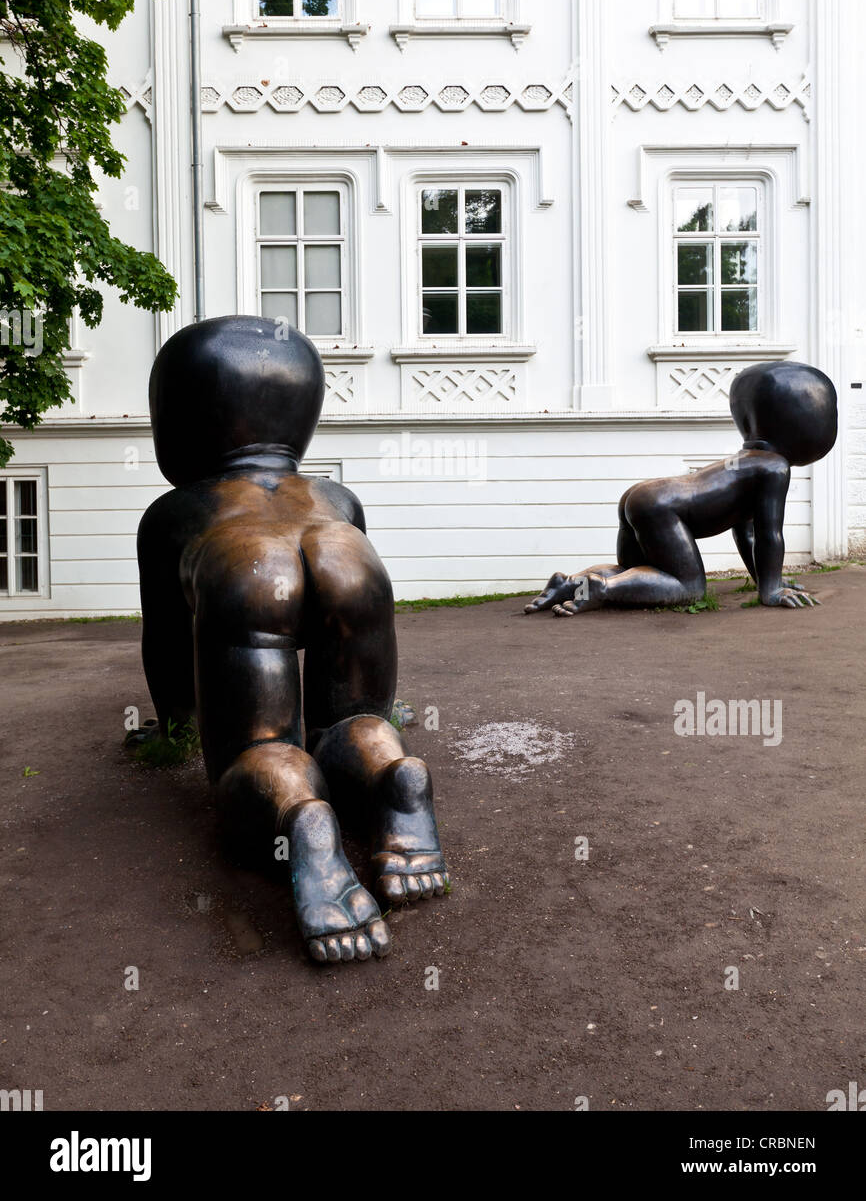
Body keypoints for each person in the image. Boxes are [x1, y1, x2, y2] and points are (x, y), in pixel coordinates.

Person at [137, 316, 448, 964]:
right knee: (356, 718)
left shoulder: (174, 514)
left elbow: (167, 644)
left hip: (245, 566)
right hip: (348, 558)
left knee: (263, 746)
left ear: (180, 418)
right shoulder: (337, 497)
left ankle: (300, 813)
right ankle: (393, 772)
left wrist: (175, 724)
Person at [524, 360, 837, 616]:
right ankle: (600, 589)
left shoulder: (746, 463)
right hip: (663, 508)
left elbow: (747, 533)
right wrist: (771, 591)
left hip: (644, 496)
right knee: (688, 588)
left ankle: (569, 584)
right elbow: (770, 534)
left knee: (634, 570)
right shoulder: (773, 468)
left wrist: (768, 581)